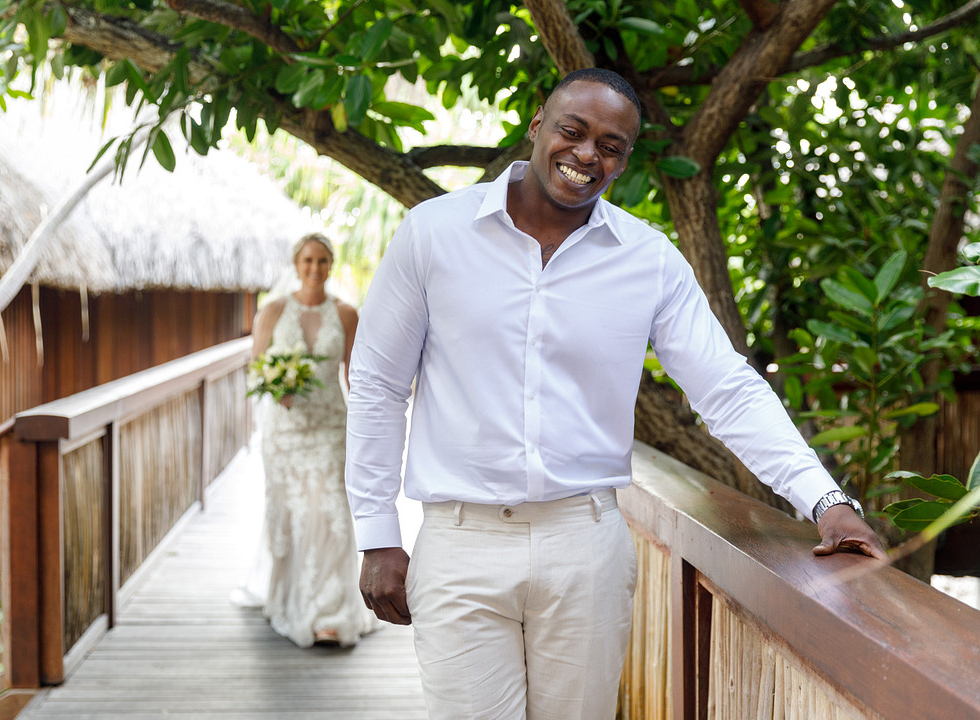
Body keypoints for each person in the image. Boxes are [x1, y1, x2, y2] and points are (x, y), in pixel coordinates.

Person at [344, 68, 888, 718]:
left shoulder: (648, 260)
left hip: (585, 543)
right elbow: (378, 384)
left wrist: (826, 501)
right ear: (537, 126)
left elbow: (728, 388)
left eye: (611, 146)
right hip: (461, 543)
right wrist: (377, 535)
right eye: (573, 131)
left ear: (624, 160)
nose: (586, 155)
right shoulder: (434, 233)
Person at [238, 231, 375, 648]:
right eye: (308, 261)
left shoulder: (347, 313)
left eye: (322, 261)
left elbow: (356, 376)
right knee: (293, 515)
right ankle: (290, 598)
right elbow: (256, 369)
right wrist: (278, 386)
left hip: (332, 425)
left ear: (331, 266)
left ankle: (330, 611)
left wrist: (369, 432)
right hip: (286, 432)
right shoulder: (273, 311)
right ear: (296, 265)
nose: (315, 268)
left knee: (331, 510)